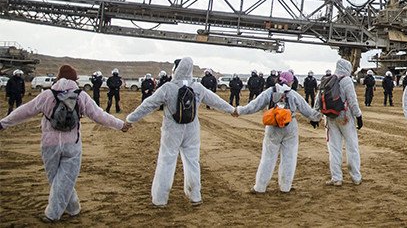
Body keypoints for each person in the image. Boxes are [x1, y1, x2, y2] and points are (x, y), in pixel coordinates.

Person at [1, 65, 130, 222]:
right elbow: (99, 115)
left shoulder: (47, 95)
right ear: (75, 80)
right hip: (72, 144)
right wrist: (120, 125)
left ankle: (64, 211)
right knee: (65, 179)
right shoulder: (81, 96)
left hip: (49, 144)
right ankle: (60, 212)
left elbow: (25, 110)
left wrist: (4, 123)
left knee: (57, 179)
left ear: (58, 77)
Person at [126, 57, 236, 206]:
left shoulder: (168, 88)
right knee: (192, 162)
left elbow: (148, 104)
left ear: (175, 70)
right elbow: (215, 101)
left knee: (166, 161)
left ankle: (160, 199)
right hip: (192, 129)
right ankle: (195, 195)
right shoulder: (197, 87)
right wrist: (232, 110)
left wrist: (131, 119)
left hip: (172, 130)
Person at [237, 70, 320, 193]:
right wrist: (317, 117)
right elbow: (307, 110)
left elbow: (254, 105)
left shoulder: (270, 92)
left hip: (272, 127)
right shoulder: (293, 94)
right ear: (290, 81)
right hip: (290, 126)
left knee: (268, 157)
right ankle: (285, 187)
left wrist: (239, 110)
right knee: (289, 157)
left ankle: (260, 187)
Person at [315, 59, 363, 186]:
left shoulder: (327, 79)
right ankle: (355, 176)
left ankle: (336, 178)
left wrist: (316, 116)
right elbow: (352, 100)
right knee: (352, 146)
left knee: (334, 148)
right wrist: (358, 116)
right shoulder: (347, 80)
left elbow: (318, 99)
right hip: (345, 117)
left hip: (330, 118)